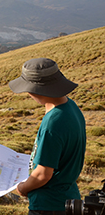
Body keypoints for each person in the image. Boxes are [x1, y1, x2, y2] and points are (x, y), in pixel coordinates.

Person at [10, 58, 86, 215]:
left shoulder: (53, 124)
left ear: (35, 90)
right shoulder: (70, 107)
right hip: (68, 198)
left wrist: (22, 188)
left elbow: (43, 175)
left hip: (48, 205)